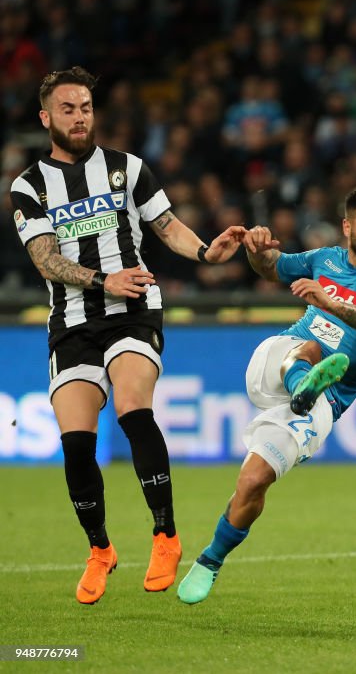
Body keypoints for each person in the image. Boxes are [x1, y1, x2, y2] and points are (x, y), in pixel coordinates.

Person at [10, 67, 247, 604]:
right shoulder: (28, 187)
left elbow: (166, 226)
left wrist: (207, 251)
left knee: (133, 408)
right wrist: (100, 279)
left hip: (134, 306)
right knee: (75, 445)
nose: (79, 117)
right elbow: (45, 260)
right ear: (46, 118)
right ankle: (100, 549)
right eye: (68, 109)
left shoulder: (127, 168)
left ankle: (165, 534)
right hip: (72, 319)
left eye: (87, 107)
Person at [177, 181, 356, 604]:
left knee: (252, 483)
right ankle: (302, 380)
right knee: (308, 348)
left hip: (325, 403)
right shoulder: (323, 259)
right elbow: (272, 267)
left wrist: (331, 303)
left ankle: (210, 560)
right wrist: (255, 246)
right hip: (277, 360)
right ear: (347, 227)